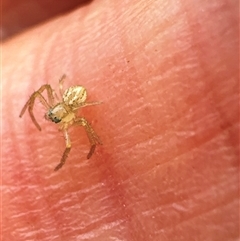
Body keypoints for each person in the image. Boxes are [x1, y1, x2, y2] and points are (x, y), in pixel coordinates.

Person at [2, 0, 238, 240]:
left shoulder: (73, 114)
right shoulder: (56, 102)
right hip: (71, 99)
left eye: (54, 116)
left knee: (76, 136)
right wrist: (30, 111)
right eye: (54, 115)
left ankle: (85, 150)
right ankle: (35, 119)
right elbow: (42, 90)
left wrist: (88, 146)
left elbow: (71, 140)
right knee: (41, 90)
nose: (53, 117)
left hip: (75, 100)